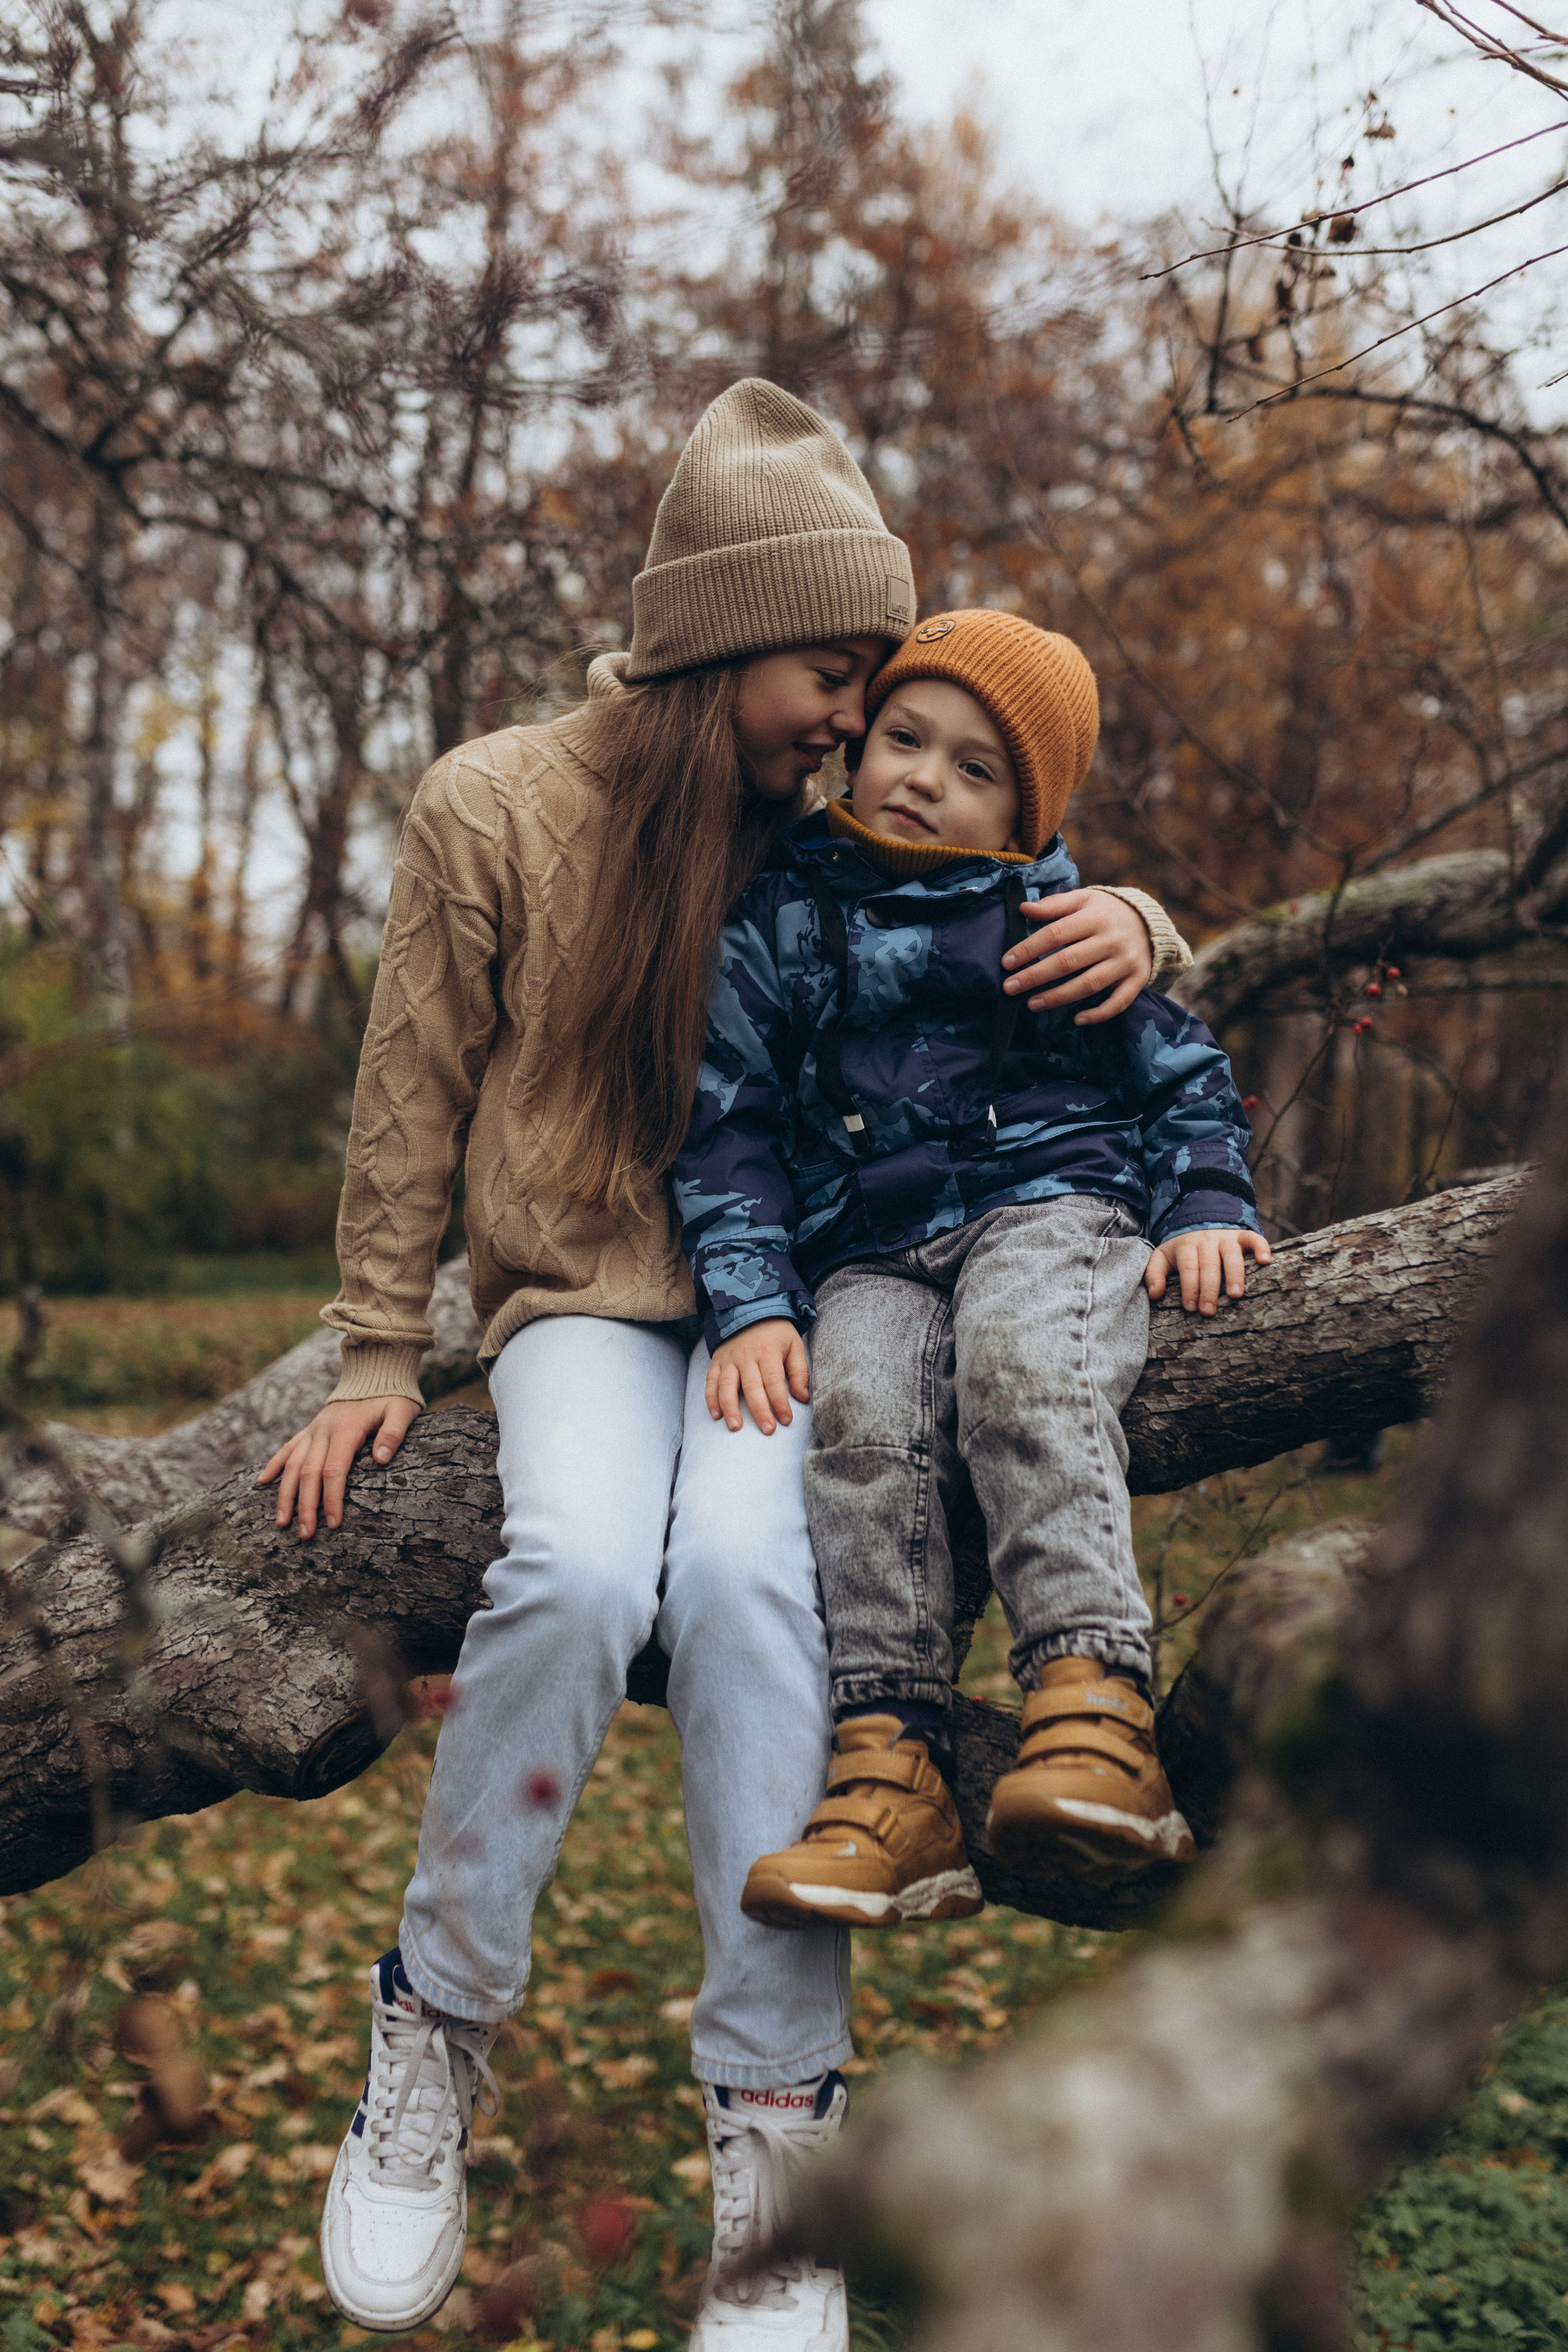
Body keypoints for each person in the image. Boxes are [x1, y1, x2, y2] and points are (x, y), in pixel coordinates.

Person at [258, 386, 1190, 2347]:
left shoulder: (836, 834)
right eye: (831, 672)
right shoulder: (494, 803)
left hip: (813, 1296)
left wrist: (1138, 920)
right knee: (587, 1568)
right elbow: (407, 1098)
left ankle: (780, 2131)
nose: (854, 721)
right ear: (714, 639)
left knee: (762, 1583)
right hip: (590, 1305)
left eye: (872, 687)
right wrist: (368, 1347)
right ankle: (437, 2019)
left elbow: (1007, 888)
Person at [674, 608, 1270, 1937]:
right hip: (868, 1245)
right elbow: (727, 1128)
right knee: (860, 1421)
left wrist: (1208, 1202)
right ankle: (892, 1765)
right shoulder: (777, 912)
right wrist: (752, 1303)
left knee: (1017, 1371)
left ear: (1021, 815)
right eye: (901, 738)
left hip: (1047, 1202)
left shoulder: (1050, 916)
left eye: (971, 767)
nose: (920, 778)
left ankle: (1089, 1695)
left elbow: (1175, 1072)